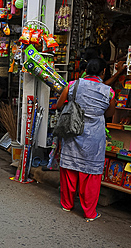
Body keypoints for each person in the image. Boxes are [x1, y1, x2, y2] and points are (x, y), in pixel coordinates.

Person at [57, 58, 116, 222]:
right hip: (94, 136)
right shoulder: (109, 92)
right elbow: (110, 114)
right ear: (103, 72)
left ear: (86, 70)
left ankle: (67, 204)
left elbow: (59, 104)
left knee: (70, 167)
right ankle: (89, 212)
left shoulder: (72, 85)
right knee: (90, 173)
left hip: (73, 131)